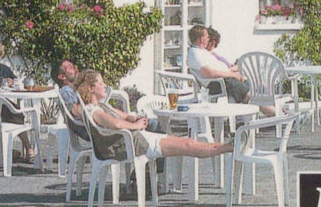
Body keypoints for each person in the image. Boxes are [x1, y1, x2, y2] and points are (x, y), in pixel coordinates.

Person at [73, 70, 232, 163]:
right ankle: (229, 147)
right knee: (188, 145)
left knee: (188, 142)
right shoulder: (94, 111)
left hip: (137, 139)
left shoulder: (100, 106)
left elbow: (123, 116)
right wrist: (136, 126)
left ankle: (228, 146)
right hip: (135, 143)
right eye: (100, 83)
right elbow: (116, 124)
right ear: (91, 89)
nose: (105, 86)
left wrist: (134, 118)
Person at [186, 25, 251, 104]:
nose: (208, 39)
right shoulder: (195, 53)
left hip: (224, 80)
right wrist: (232, 75)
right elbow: (209, 73)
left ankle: (256, 110)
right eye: (207, 37)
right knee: (251, 96)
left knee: (252, 87)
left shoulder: (201, 51)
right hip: (219, 83)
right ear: (201, 38)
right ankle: (268, 113)